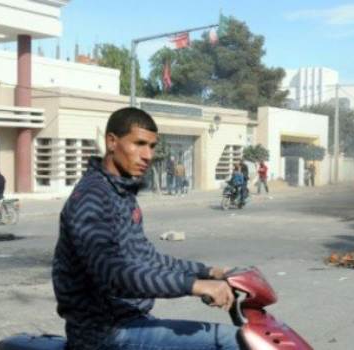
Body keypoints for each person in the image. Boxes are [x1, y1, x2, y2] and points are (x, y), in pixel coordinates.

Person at [52, 107, 242, 350]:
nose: (147, 155)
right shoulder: (92, 198)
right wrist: (194, 286)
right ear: (112, 141)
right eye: (139, 144)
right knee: (234, 342)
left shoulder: (120, 193)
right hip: (103, 333)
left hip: (130, 320)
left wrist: (209, 272)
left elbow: (147, 257)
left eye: (151, 146)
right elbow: (113, 275)